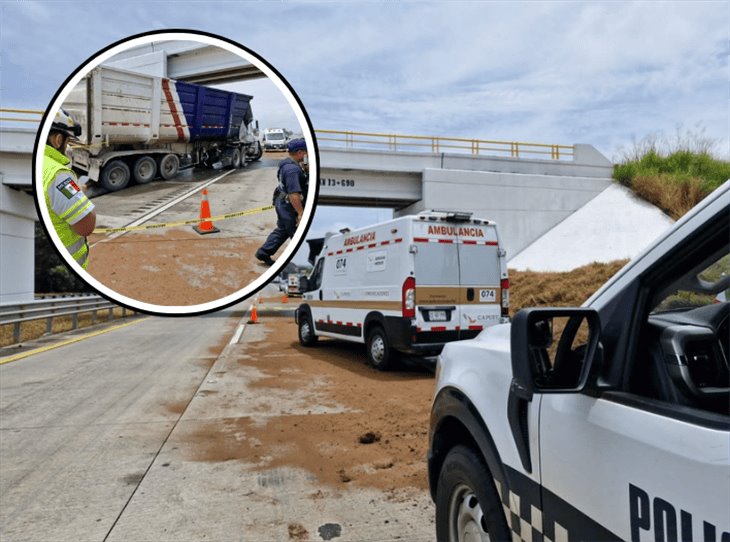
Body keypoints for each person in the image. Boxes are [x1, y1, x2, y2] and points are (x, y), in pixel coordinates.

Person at [42, 109, 96, 270]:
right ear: (58, 140)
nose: (67, 148)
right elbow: (86, 225)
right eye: (67, 143)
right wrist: (80, 195)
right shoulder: (59, 176)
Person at [255, 137, 308, 266]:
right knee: (298, 234)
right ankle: (297, 265)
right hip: (289, 207)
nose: (308, 155)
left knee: (283, 230)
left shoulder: (287, 163)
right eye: (306, 152)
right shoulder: (293, 171)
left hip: (281, 202)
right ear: (300, 153)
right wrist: (300, 214)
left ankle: (263, 253)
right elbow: (294, 194)